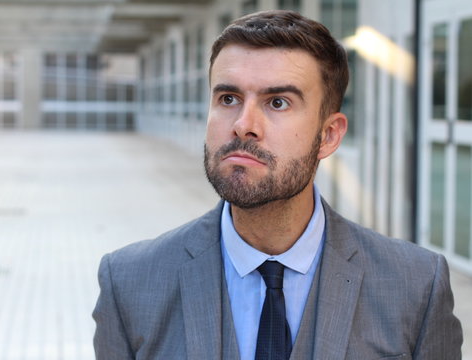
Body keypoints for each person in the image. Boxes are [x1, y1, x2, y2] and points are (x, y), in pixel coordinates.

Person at [93, 10, 463, 360]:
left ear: (329, 135)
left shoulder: (416, 286)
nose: (243, 124)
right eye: (228, 98)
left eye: (278, 102)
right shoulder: (129, 283)